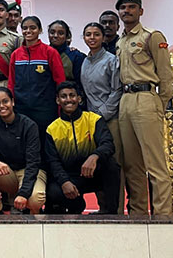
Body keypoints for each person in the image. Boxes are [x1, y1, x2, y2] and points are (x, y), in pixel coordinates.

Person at [115, 0, 173, 216]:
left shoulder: (152, 36)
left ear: (141, 11)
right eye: (123, 8)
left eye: (131, 7)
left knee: (155, 162)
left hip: (147, 98)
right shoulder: (120, 42)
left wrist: (159, 103)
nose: (127, 11)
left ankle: (163, 214)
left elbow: (166, 75)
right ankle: (138, 212)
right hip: (126, 100)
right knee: (132, 163)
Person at [44, 82, 120, 214]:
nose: (68, 99)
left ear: (79, 99)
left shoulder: (94, 120)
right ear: (58, 100)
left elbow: (108, 144)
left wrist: (94, 156)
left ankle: (111, 212)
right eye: (64, 96)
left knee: (111, 166)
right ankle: (76, 205)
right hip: (71, 177)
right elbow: (53, 161)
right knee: (53, 192)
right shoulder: (52, 129)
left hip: (93, 173)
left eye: (72, 95)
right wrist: (64, 182)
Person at [0, 87, 46, 215]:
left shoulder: (29, 125)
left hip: (29, 171)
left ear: (12, 102)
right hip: (8, 173)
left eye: (5, 101)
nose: (2, 106)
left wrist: (23, 193)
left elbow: (33, 163)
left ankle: (33, 214)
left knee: (35, 200)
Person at [81, 22, 125, 214]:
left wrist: (103, 113)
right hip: (91, 121)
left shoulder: (111, 60)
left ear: (102, 37)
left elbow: (117, 89)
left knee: (113, 165)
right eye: (88, 34)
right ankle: (102, 207)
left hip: (109, 118)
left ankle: (116, 209)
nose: (92, 38)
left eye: (96, 34)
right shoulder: (85, 61)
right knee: (96, 165)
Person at [8, 16, 66, 146]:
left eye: (32, 28)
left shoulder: (50, 52)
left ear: (40, 30)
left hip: (45, 109)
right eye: (25, 28)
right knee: (24, 144)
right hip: (21, 109)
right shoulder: (16, 55)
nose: (28, 31)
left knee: (45, 145)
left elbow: (60, 82)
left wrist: (60, 107)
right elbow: (11, 83)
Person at [48, 20, 86, 91]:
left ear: (67, 36)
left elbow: (80, 83)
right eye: (52, 32)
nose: (55, 36)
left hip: (67, 96)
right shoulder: (42, 54)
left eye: (61, 33)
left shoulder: (76, 56)